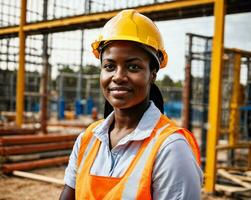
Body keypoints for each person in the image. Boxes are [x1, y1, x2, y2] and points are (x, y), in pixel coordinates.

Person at [60, 9, 203, 200]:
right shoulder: (87, 140)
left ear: (152, 74)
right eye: (109, 66)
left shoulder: (170, 148)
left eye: (133, 66)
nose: (118, 76)